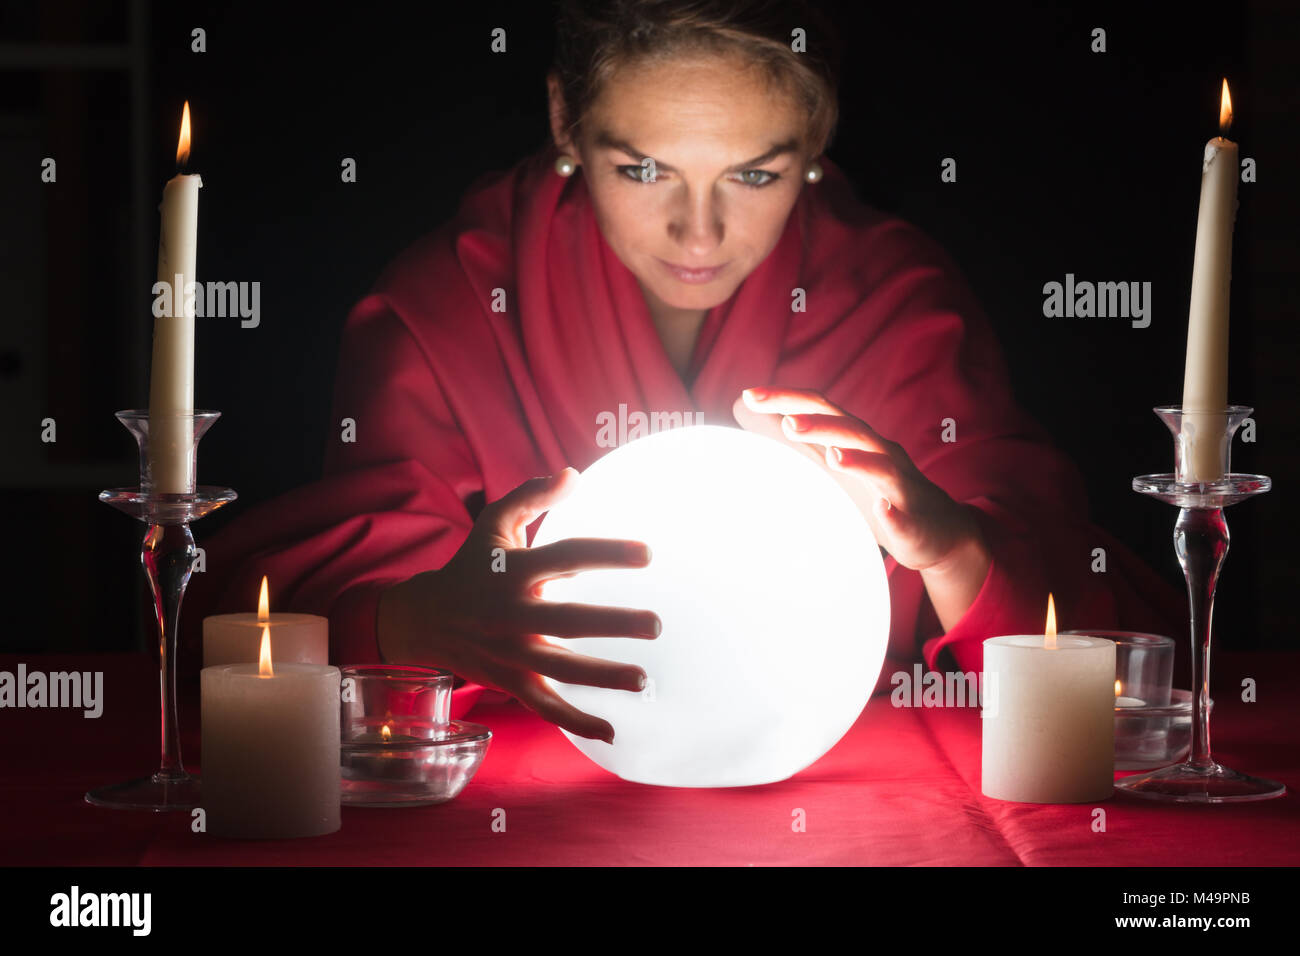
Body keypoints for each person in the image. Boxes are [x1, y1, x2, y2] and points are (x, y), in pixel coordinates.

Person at [184, 0, 1183, 746]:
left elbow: (1103, 652)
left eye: (754, 174)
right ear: (565, 121)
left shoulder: (896, 295)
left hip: (831, 784)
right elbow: (268, 638)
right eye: (643, 168)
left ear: (817, 144)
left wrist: (958, 550)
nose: (698, 232)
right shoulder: (444, 300)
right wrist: (418, 621)